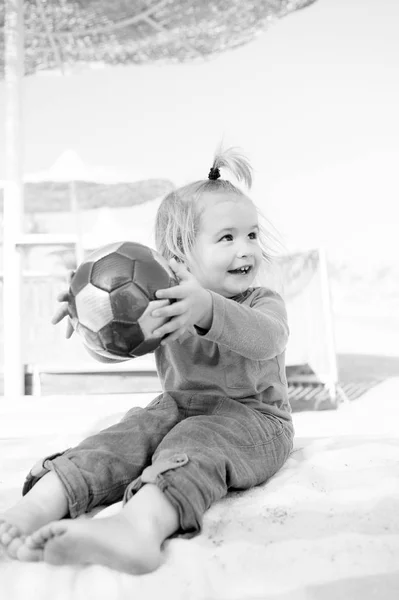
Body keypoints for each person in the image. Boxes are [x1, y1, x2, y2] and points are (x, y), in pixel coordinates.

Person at [0, 147, 294, 575]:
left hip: (255, 420)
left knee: (193, 445)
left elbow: (268, 339)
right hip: (176, 408)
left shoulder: (262, 302)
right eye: (227, 237)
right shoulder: (161, 301)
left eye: (251, 235)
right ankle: (34, 508)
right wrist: (92, 323)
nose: (246, 249)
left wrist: (207, 308)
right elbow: (118, 351)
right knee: (123, 436)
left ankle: (138, 528)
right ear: (178, 255)